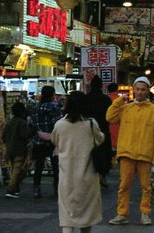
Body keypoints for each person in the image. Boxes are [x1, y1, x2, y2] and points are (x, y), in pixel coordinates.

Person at [105, 76, 154, 226]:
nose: (140, 92)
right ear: (134, 90)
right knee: (124, 186)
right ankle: (122, 214)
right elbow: (109, 117)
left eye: (143, 89)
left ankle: (145, 213)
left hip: (145, 154)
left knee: (146, 187)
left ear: (147, 91)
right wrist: (119, 100)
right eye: (137, 89)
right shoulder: (125, 108)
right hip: (127, 153)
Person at [52, 91, 105, 233]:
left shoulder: (60, 125)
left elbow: (55, 140)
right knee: (86, 216)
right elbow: (100, 139)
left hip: (66, 177)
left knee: (67, 217)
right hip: (87, 176)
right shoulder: (91, 124)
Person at [30, 85, 63, 198]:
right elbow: (58, 124)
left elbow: (32, 124)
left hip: (38, 141)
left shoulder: (35, 107)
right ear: (52, 94)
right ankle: (57, 189)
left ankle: (36, 189)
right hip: (53, 141)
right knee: (56, 167)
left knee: (38, 166)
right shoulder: (55, 107)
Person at [86, 76, 114, 187]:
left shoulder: (86, 98)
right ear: (101, 86)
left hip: (88, 129)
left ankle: (91, 175)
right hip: (103, 128)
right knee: (104, 152)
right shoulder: (106, 99)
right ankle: (103, 174)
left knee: (90, 153)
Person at [2, 101, 32, 198]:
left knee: (13, 171)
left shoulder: (9, 122)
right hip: (19, 149)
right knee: (17, 171)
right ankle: (10, 189)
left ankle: (15, 189)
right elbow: (26, 135)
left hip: (10, 150)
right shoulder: (22, 123)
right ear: (22, 112)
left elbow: (3, 137)